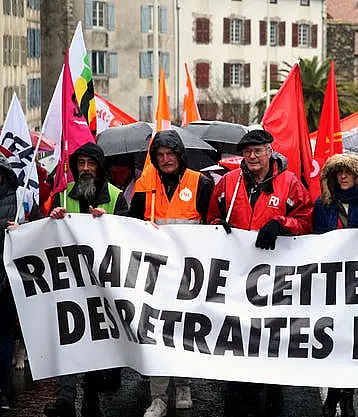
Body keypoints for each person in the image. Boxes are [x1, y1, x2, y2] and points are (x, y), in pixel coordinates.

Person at [207, 129, 312, 417]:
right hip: (235, 280)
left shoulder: (289, 183)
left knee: (269, 341)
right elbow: (211, 218)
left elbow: (306, 219)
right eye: (247, 151)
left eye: (258, 150)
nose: (252, 156)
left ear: (270, 151)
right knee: (237, 339)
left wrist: (281, 224)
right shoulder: (229, 183)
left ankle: (271, 399)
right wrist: (218, 227)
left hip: (274, 281)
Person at [129, 130, 213, 417]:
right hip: (154, 273)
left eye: (170, 154)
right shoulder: (144, 184)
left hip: (190, 273)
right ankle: (158, 397)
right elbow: (131, 225)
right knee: (156, 332)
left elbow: (212, 222)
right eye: (160, 155)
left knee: (185, 330)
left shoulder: (200, 183)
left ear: (180, 156)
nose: (165, 160)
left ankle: (183, 386)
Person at [45, 143, 128, 417]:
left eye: (90, 164)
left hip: (102, 283)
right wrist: (51, 218)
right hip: (67, 281)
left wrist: (109, 223)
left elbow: (130, 236)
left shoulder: (116, 198)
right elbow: (42, 231)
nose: (85, 169)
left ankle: (91, 398)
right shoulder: (61, 197)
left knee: (96, 342)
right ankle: (66, 399)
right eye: (80, 164)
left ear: (100, 167)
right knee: (67, 337)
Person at [313, 153, 358, 417]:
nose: (343, 177)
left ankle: (347, 397)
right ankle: (333, 394)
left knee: (354, 341)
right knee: (333, 339)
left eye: (348, 172)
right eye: (338, 172)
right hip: (331, 282)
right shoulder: (323, 205)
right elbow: (314, 240)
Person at [0, 154, 42, 412]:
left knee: (4, 335)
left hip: (6, 280)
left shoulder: (21, 198)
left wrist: (23, 230)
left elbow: (40, 228)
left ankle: (2, 388)